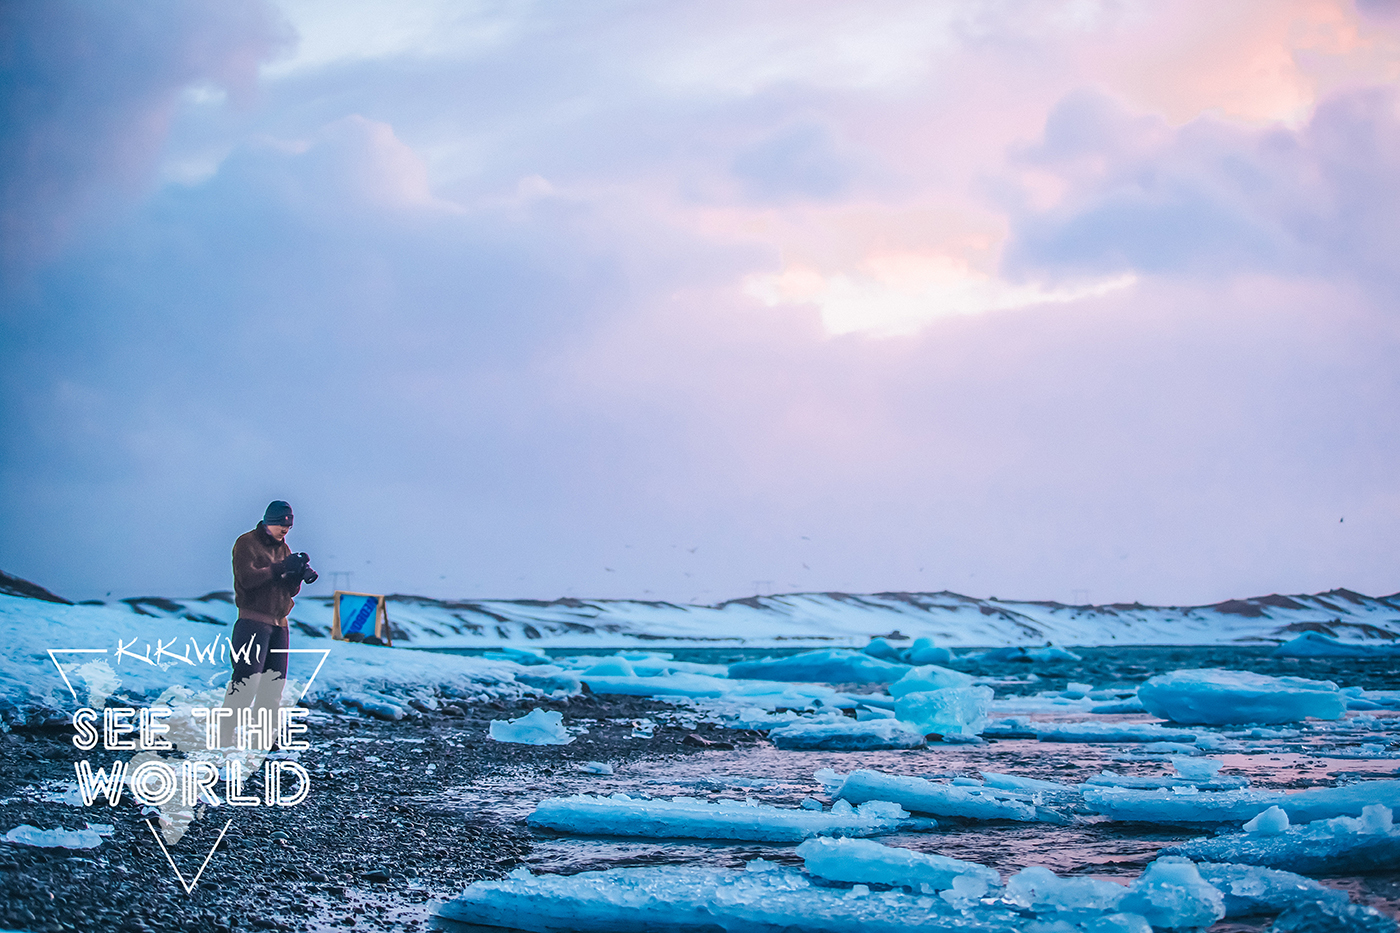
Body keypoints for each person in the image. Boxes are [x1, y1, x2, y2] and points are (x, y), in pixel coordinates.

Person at [219, 500, 317, 748]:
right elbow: (247, 578)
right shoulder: (246, 543)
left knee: (273, 686)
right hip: (252, 621)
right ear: (269, 521)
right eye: (282, 525)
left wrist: (295, 576)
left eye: (289, 527)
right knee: (246, 682)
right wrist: (280, 568)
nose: (286, 531)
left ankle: (262, 737)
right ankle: (224, 734)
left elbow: (289, 591)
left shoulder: (283, 548)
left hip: (279, 624)